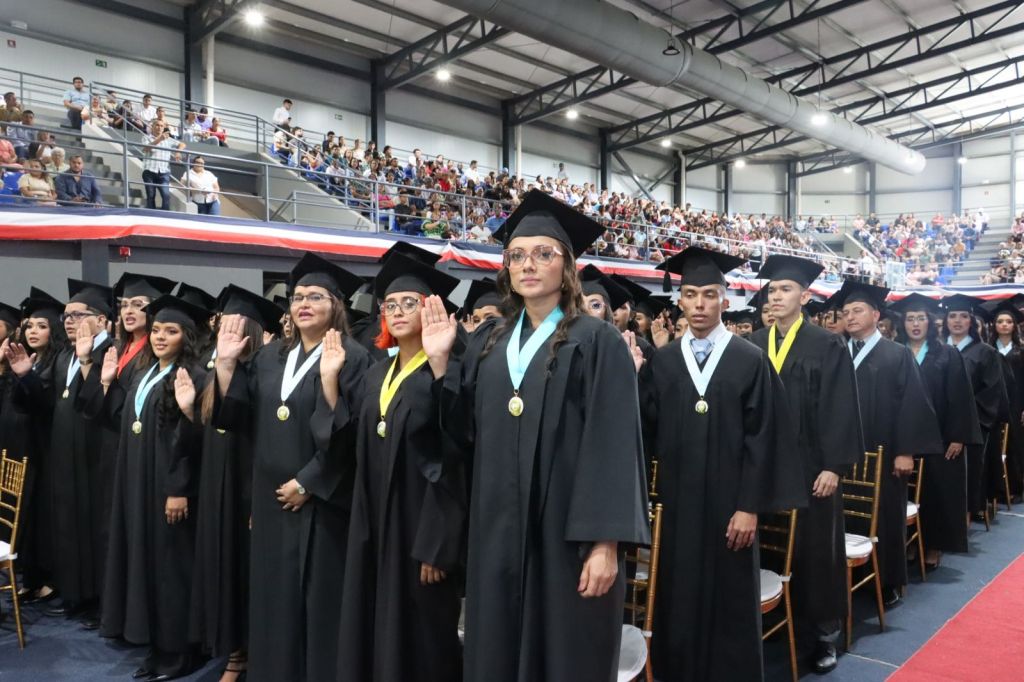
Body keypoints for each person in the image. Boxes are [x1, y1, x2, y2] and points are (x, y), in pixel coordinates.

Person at [430, 189, 650, 682]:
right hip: (496, 535)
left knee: (564, 654)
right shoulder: (489, 341)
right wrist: (444, 362)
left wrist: (605, 545)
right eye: (517, 255)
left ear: (566, 266)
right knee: (496, 652)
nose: (529, 264)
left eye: (543, 254)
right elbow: (461, 433)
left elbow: (614, 448)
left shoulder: (599, 341)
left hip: (566, 538)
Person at [642, 247, 805, 682]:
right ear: (678, 300)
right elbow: (645, 430)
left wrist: (749, 506)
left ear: (724, 301)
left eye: (709, 294)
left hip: (732, 512)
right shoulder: (663, 363)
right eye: (690, 294)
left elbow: (765, 439)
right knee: (677, 597)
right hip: (678, 508)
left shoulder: (750, 360)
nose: (699, 304)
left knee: (729, 600)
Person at [213, 252, 371, 682]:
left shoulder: (353, 358)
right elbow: (238, 419)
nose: (302, 303)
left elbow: (354, 436)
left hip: (320, 504)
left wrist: (308, 481)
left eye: (315, 296)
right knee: (273, 599)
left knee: (316, 602)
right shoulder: (270, 357)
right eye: (297, 296)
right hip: (269, 504)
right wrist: (227, 364)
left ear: (335, 305)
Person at [337, 253, 465, 682]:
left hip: (421, 530)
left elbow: (455, 456)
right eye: (391, 305)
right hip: (375, 523)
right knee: (376, 619)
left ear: (432, 307)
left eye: (410, 303)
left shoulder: (449, 373)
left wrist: (438, 543)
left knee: (424, 631)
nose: (398, 312)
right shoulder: (375, 374)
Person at [82, 295, 209, 681]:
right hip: (138, 485)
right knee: (148, 566)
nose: (159, 337)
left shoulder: (193, 376)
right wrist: (105, 383)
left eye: (170, 331)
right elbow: (125, 419)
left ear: (186, 337)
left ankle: (179, 653)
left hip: (169, 488)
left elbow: (189, 440)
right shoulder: (143, 372)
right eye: (156, 330)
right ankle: (156, 644)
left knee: (172, 571)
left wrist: (178, 488)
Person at [750, 255, 864, 674]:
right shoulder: (755, 344)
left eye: (784, 289)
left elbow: (840, 408)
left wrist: (834, 466)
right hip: (764, 470)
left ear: (805, 295)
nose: (775, 296)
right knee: (771, 547)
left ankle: (822, 635)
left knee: (816, 554)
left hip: (813, 471)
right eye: (772, 290)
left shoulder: (825, 344)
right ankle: (775, 621)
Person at [190, 286, 281, 682]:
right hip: (217, 486)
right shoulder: (217, 370)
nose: (227, 331)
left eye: (237, 325)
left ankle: (243, 655)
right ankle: (229, 649)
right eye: (224, 324)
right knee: (222, 569)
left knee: (247, 575)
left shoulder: (265, 370)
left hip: (248, 488)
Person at [837, 280, 942, 606]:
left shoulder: (895, 355)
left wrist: (906, 452)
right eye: (845, 312)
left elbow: (911, 404)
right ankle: (848, 575)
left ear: (875, 314)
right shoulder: (836, 353)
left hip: (884, 454)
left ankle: (888, 580)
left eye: (857, 311)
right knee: (845, 513)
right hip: (843, 454)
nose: (850, 317)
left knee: (885, 516)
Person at [30, 280, 115, 626]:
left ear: (101, 319)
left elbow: (98, 402)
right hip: (65, 451)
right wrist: (25, 377)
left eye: (78, 315)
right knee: (68, 524)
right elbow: (49, 398)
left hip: (96, 452)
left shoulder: (109, 351)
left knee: (94, 526)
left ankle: (98, 600)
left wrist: (87, 360)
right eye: (66, 315)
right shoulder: (64, 353)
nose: (69, 321)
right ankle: (74, 594)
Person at [891, 294, 980, 569]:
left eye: (921, 318)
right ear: (902, 323)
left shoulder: (947, 354)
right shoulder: (895, 352)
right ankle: (908, 542)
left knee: (936, 493)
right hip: (902, 436)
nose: (915, 324)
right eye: (910, 319)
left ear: (930, 322)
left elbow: (960, 397)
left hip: (939, 438)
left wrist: (958, 436)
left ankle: (932, 545)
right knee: (902, 494)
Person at [0, 289, 67, 607]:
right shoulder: (26, 359)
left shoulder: (55, 363)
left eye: (41, 326)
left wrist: (26, 375)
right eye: (29, 326)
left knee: (35, 516)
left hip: (38, 449)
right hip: (15, 448)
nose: (33, 332)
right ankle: (26, 575)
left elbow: (45, 405)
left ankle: (44, 578)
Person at [942, 294, 1008, 524]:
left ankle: (962, 522)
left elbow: (991, 393)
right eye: (952, 316)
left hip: (971, 429)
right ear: (945, 320)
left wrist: (965, 422)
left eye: (963, 316)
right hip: (936, 428)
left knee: (966, 479)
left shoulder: (985, 353)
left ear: (971, 321)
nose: (957, 321)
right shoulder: (936, 350)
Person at [989, 300, 1024, 499]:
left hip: (1016, 403)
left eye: (1008, 321)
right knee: (994, 446)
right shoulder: (988, 349)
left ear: (1014, 325)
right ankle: (998, 489)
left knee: (1015, 445)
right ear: (994, 325)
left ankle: (1016, 486)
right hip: (993, 405)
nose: (1004, 325)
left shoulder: (1021, 350)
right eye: (1000, 321)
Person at [142, 121, 185, 210]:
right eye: (157, 125)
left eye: (162, 126)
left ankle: (164, 215)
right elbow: (146, 148)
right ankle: (150, 216)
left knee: (166, 196)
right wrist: (160, 139)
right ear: (152, 126)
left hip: (163, 172)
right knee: (151, 196)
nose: (159, 127)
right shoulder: (146, 137)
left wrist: (178, 152)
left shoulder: (168, 139)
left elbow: (182, 144)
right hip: (149, 171)